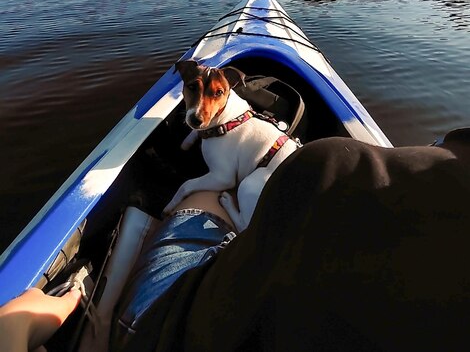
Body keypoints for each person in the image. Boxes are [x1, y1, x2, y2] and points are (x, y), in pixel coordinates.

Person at [1, 135, 470, 351]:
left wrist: (18, 324)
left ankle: (106, 307)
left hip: (174, 321)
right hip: (263, 279)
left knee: (208, 194)